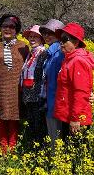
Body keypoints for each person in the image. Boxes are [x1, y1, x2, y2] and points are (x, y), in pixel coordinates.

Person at [0, 14, 29, 155]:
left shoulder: (24, 47)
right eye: (4, 26)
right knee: (1, 119)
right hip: (0, 90)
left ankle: (12, 150)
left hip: (17, 91)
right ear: (0, 28)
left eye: (11, 26)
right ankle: (3, 151)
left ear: (17, 29)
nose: (7, 29)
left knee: (14, 119)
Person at [53, 22, 94, 141]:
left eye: (64, 39)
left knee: (77, 155)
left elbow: (80, 92)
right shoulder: (69, 59)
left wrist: (75, 118)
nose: (60, 43)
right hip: (68, 115)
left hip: (76, 119)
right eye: (60, 39)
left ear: (76, 43)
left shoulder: (77, 61)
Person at [38, 19, 66, 148]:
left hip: (56, 103)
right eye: (44, 33)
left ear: (59, 35)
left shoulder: (59, 53)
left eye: (51, 33)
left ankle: (57, 165)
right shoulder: (50, 52)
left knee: (56, 138)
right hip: (51, 102)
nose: (46, 36)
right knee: (54, 137)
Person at [21, 25, 48, 147]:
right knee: (32, 127)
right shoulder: (30, 54)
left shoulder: (44, 53)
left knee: (39, 129)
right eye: (30, 37)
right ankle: (33, 153)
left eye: (35, 37)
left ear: (42, 39)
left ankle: (40, 155)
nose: (32, 39)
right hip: (29, 97)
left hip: (38, 98)